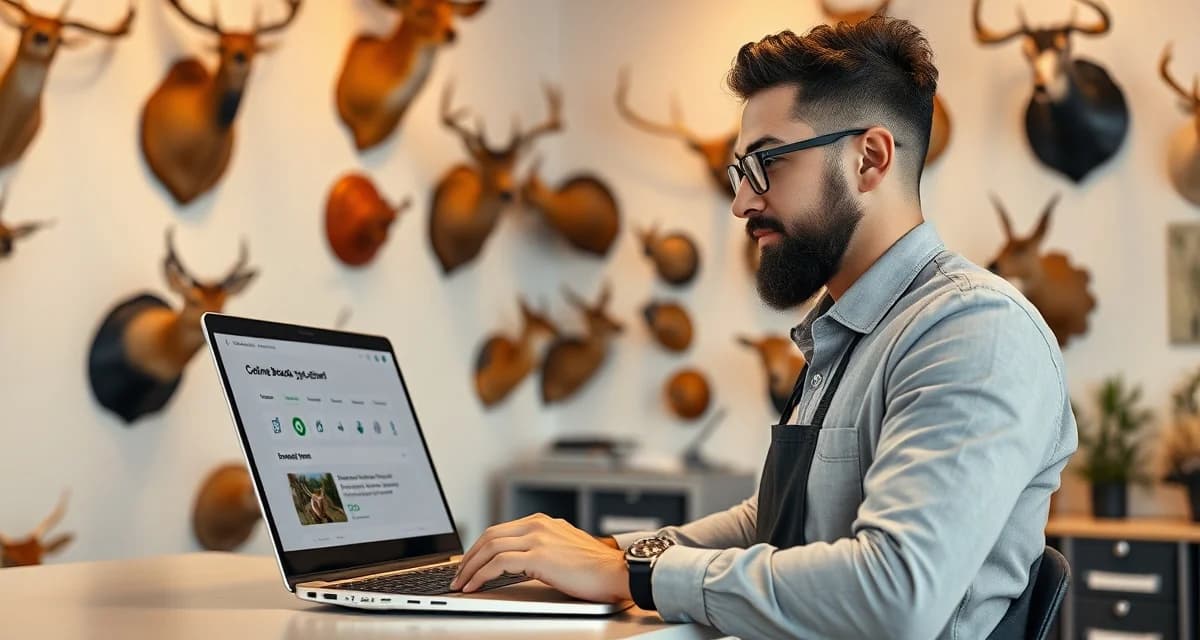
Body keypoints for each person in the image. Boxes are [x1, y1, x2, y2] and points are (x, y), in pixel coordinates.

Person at [450, 16, 1077, 639]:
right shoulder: (845, 334)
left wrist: (638, 578)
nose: (742, 202)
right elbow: (774, 525)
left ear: (870, 159)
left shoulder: (973, 331)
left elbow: (897, 594)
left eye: (766, 163)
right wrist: (607, 556)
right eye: (739, 173)